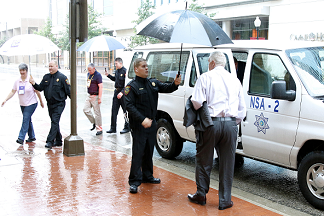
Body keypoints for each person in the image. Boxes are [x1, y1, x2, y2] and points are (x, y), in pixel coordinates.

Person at [188, 51, 246, 210]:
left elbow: (197, 102)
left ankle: (201, 194)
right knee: (228, 163)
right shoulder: (235, 80)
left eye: (209, 62)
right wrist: (232, 123)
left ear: (212, 63)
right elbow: (242, 109)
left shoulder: (205, 77)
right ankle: (225, 200)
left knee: (203, 160)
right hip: (231, 125)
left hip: (210, 124)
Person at [124, 58, 181, 194]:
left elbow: (167, 88)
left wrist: (175, 84)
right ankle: (134, 181)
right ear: (136, 69)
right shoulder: (131, 87)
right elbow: (129, 106)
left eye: (147, 66)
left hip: (152, 124)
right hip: (139, 125)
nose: (146, 68)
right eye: (143, 66)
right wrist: (142, 119)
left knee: (149, 150)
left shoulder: (152, 83)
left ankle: (147, 176)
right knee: (138, 153)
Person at [29, 60, 70, 149]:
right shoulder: (46, 77)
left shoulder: (62, 78)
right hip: (50, 104)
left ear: (56, 66)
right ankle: (58, 141)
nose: (50, 68)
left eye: (52, 66)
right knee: (54, 122)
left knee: (54, 121)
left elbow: (68, 91)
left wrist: (74, 102)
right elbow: (40, 88)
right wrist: (33, 83)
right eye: (49, 66)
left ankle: (50, 141)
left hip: (59, 104)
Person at [2, 63, 44, 144]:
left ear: (26, 71)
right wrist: (5, 100)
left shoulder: (30, 80)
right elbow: (12, 91)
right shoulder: (17, 81)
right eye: (21, 70)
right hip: (23, 104)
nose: (22, 72)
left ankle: (21, 138)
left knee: (25, 119)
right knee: (28, 120)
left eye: (23, 70)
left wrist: (41, 102)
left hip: (32, 103)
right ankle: (32, 136)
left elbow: (37, 91)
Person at [105, 57, 130, 134]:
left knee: (125, 111)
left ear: (120, 63)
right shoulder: (117, 71)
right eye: (115, 63)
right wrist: (108, 75)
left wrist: (122, 92)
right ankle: (113, 128)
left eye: (116, 63)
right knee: (114, 111)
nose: (115, 65)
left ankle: (127, 127)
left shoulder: (125, 71)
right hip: (116, 92)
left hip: (123, 94)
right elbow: (115, 79)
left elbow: (127, 85)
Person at [83, 63, 103, 136]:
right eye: (88, 70)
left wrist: (99, 98)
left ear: (94, 68)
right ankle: (94, 122)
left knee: (97, 113)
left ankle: (99, 128)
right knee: (85, 109)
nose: (89, 71)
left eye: (90, 70)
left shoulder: (98, 75)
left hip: (96, 96)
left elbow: (101, 87)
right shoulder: (88, 74)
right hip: (89, 95)